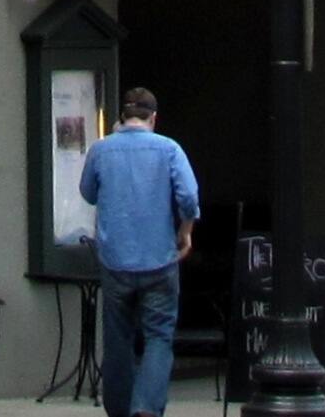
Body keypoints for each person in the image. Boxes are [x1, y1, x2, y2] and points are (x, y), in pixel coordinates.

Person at [77, 89, 198, 417]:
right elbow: (188, 195)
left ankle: (119, 410)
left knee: (118, 339)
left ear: (121, 117)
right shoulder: (169, 149)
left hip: (116, 260)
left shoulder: (101, 150)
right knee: (159, 335)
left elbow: (87, 193)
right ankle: (145, 406)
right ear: (153, 118)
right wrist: (184, 232)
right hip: (160, 258)